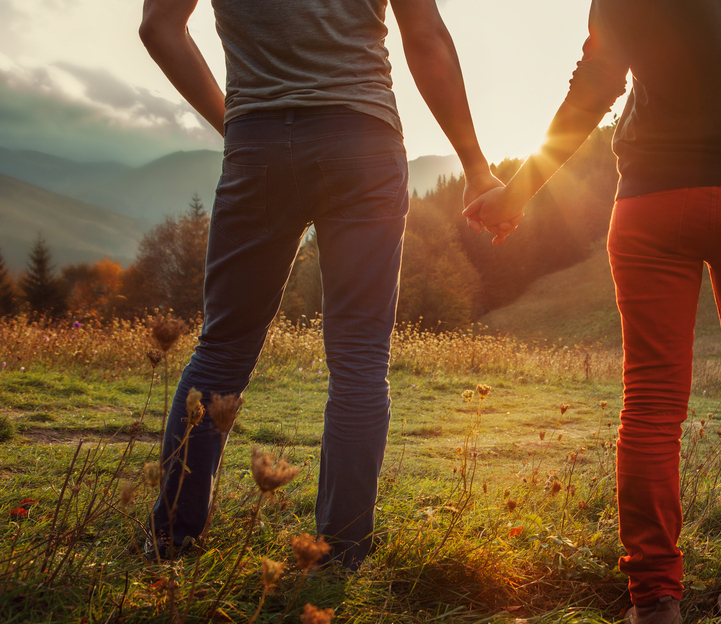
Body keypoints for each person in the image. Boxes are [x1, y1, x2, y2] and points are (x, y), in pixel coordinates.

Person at [464, 0, 721, 624]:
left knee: (653, 403)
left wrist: (522, 188)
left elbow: (599, 77)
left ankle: (655, 603)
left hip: (654, 199)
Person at [139, 0, 505, 569]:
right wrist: (475, 164)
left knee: (221, 352)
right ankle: (339, 558)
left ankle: (172, 544)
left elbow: (158, 25)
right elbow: (426, 37)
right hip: (363, 140)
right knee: (359, 357)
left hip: (258, 140)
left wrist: (238, 122)